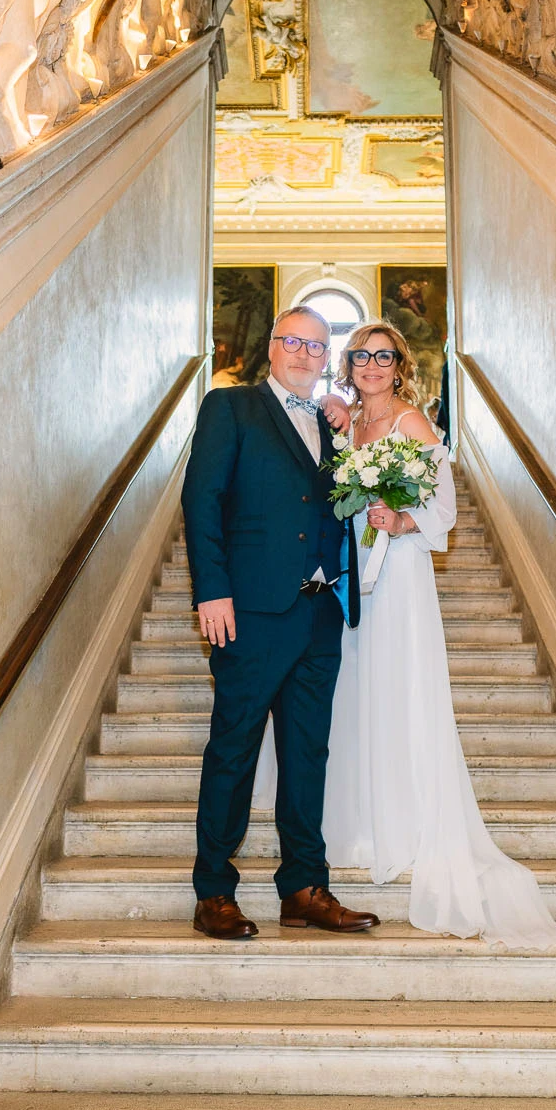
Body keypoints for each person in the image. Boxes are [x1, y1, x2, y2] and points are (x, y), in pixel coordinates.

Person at [317, 321, 556, 948]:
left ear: (399, 365)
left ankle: (409, 824)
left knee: (402, 687)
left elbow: (445, 508)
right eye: (362, 356)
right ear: (350, 364)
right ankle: (360, 820)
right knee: (358, 690)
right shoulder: (348, 422)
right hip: (354, 573)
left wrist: (401, 518)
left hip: (400, 575)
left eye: (384, 357)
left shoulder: (413, 424)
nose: (373, 366)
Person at [180, 306, 377, 941]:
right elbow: (202, 499)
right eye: (292, 341)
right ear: (271, 347)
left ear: (327, 360)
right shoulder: (228, 408)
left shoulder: (332, 422)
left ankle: (303, 886)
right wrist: (212, 592)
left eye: (317, 347)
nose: (303, 354)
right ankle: (214, 890)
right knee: (233, 749)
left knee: (306, 754)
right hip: (250, 613)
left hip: (320, 612)